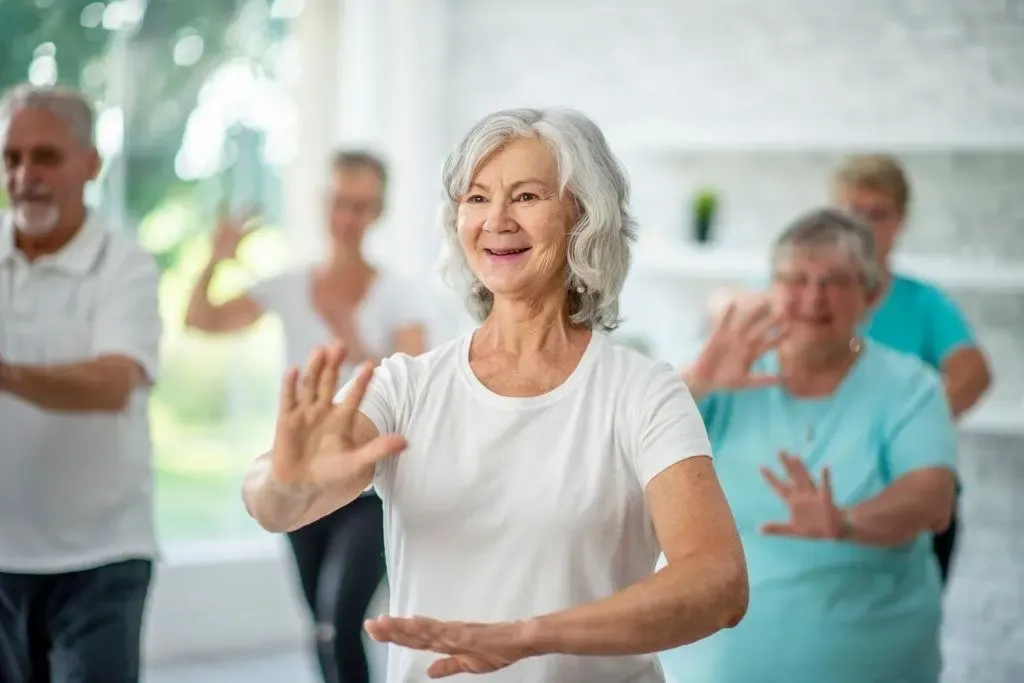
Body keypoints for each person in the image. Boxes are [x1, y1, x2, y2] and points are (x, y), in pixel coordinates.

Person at [242, 108, 749, 682]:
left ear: (583, 213)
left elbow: (720, 582)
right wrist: (285, 480)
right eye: (477, 198)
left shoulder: (642, 391)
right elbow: (271, 503)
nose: (496, 220)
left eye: (527, 196)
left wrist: (530, 636)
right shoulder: (406, 386)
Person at [659, 208, 958, 683]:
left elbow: (932, 499)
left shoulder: (910, 385)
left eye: (835, 281)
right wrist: (699, 380)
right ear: (770, 288)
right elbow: (624, 443)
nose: (813, 298)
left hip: (872, 658)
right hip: (717, 661)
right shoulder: (726, 374)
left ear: (871, 295)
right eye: (795, 279)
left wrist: (844, 522)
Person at [185, 150, 429, 683]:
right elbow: (200, 319)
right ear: (324, 204)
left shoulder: (399, 294)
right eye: (340, 203)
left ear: (379, 212)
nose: (349, 219)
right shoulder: (288, 285)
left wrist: (349, 333)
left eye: (362, 207)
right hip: (300, 476)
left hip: (369, 486)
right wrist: (216, 256)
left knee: (343, 622)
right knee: (320, 627)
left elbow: (418, 387)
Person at [0, 85, 161, 682]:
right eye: (11, 158)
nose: (24, 176)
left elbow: (113, 382)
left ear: (91, 164)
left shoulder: (126, 264)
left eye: (45, 157)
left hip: (102, 558)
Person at [831, 155, 990, 582]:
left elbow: (974, 374)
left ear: (900, 221)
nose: (861, 226)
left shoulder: (923, 303)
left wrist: (916, 426)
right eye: (849, 212)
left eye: (876, 214)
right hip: (832, 495)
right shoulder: (804, 296)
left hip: (908, 496)